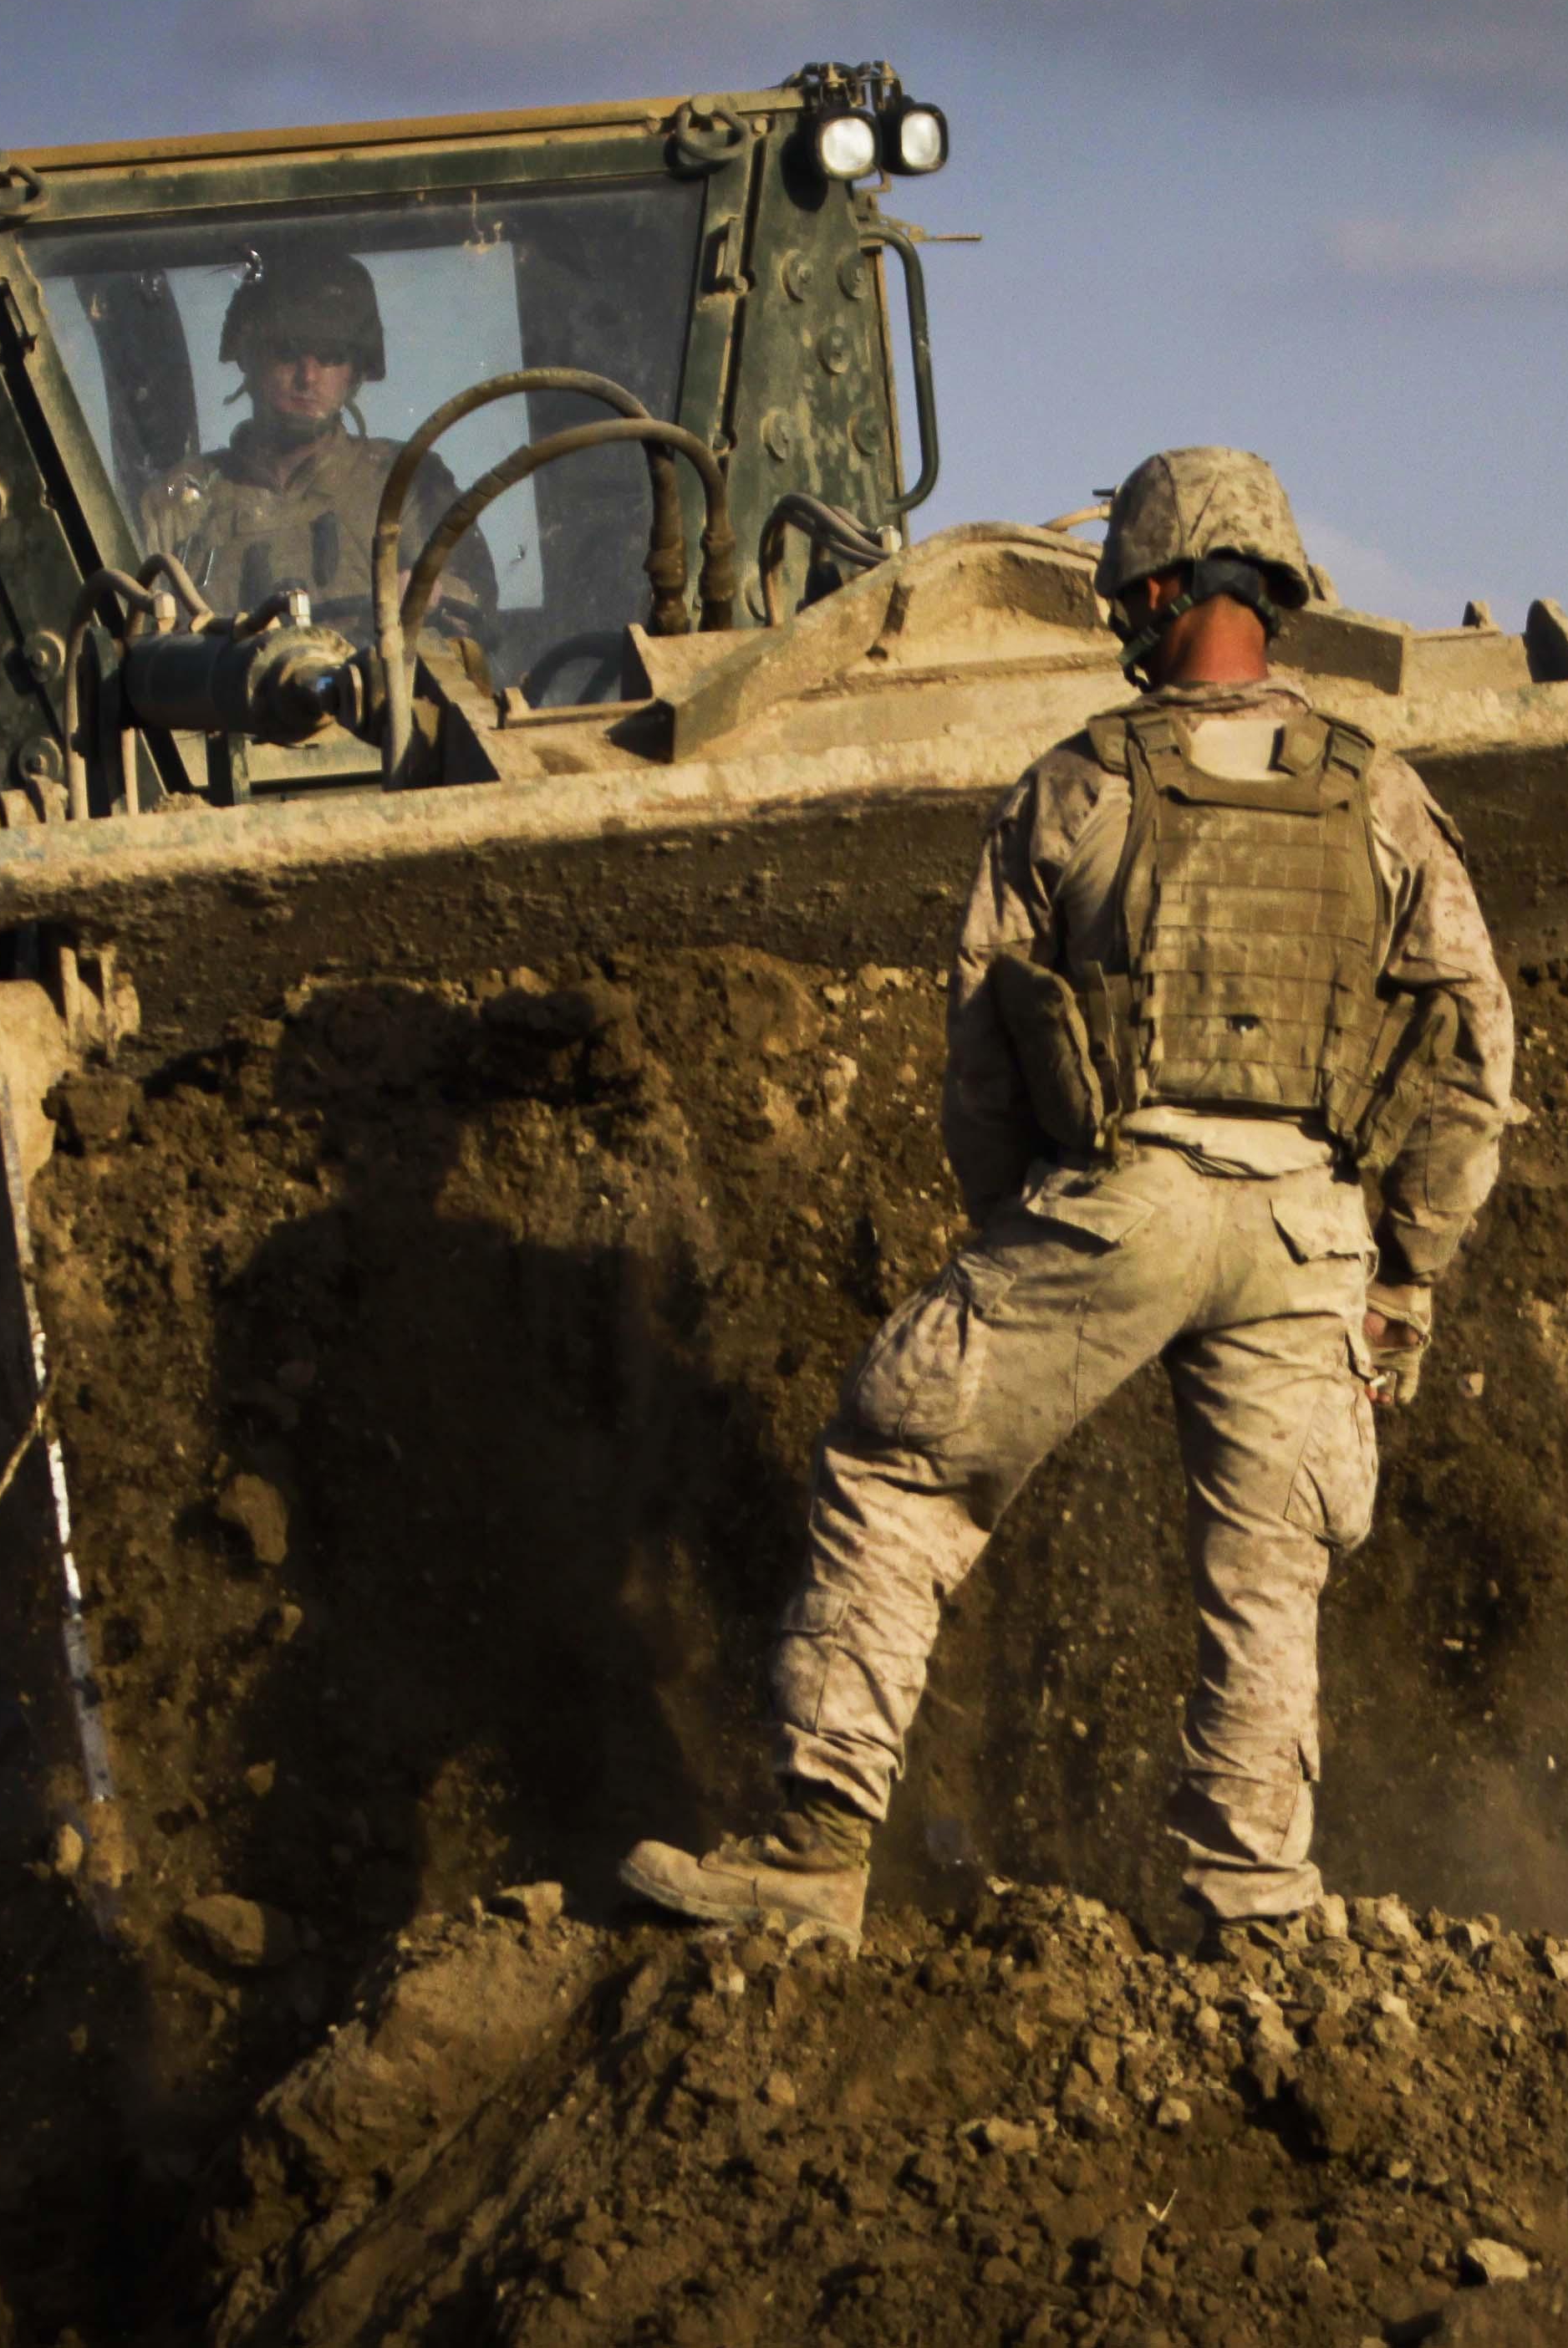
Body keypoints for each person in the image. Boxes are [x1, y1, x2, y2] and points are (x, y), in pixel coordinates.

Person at [620, 446, 1516, 1948]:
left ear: (1161, 594)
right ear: (1279, 598)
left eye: (1127, 599)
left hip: (1123, 1201)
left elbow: (983, 1042)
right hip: (1312, 1231)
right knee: (1264, 1581)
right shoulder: (1386, 801)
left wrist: (1012, 1228)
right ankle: (1250, 1908)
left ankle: (810, 1854)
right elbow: (1472, 1057)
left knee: (901, 1463)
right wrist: (1405, 1273)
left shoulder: (1081, 785)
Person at [134, 246, 494, 629]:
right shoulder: (177, 501)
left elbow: (475, 606)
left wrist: (432, 593)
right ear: (247, 356)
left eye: (330, 355)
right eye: (287, 352)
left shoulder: (404, 485)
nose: (308, 377)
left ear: (355, 373)